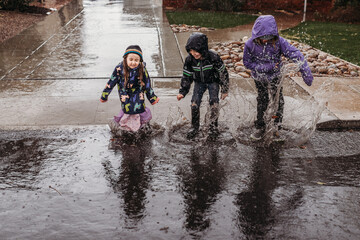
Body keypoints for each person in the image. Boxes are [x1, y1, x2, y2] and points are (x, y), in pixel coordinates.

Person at [243, 15, 313, 140]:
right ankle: (260, 126)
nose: (266, 40)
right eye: (263, 37)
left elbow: (295, 54)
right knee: (262, 99)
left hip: (276, 75)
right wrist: (265, 67)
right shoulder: (250, 44)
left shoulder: (279, 42)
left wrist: (305, 70)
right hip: (259, 76)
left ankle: (276, 126)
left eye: (269, 37)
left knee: (278, 101)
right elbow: (247, 63)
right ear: (257, 34)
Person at [177, 32, 229, 139]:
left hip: (213, 81)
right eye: (191, 51)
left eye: (196, 51)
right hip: (199, 82)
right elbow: (186, 76)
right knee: (194, 103)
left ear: (203, 48)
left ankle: (213, 127)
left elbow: (223, 73)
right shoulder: (189, 60)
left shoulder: (213, 57)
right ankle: (194, 127)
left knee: (214, 103)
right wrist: (183, 91)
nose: (193, 53)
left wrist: (224, 89)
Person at [100, 45, 159, 133]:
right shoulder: (119, 69)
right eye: (130, 59)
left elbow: (147, 83)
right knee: (128, 111)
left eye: (136, 60)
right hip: (125, 95)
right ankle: (125, 128)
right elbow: (111, 82)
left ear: (140, 60)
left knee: (139, 110)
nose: (133, 62)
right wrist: (104, 95)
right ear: (125, 59)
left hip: (138, 94)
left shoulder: (142, 69)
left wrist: (152, 97)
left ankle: (142, 128)